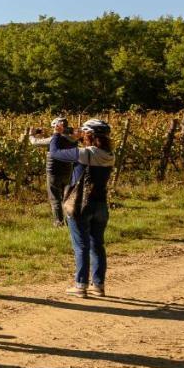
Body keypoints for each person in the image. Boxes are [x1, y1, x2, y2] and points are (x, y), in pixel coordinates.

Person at [49, 118, 114, 298]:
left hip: (80, 205)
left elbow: (55, 153)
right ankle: (98, 285)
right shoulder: (109, 155)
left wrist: (57, 133)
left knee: (81, 246)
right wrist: (77, 136)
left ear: (90, 135)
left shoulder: (86, 154)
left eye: (85, 133)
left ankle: (80, 285)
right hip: (101, 205)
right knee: (97, 244)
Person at [26, 116, 76, 226]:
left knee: (55, 198)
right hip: (67, 171)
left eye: (53, 127)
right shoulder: (71, 139)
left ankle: (59, 222)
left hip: (53, 171)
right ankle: (70, 221)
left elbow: (34, 142)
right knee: (66, 197)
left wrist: (31, 134)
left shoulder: (53, 139)